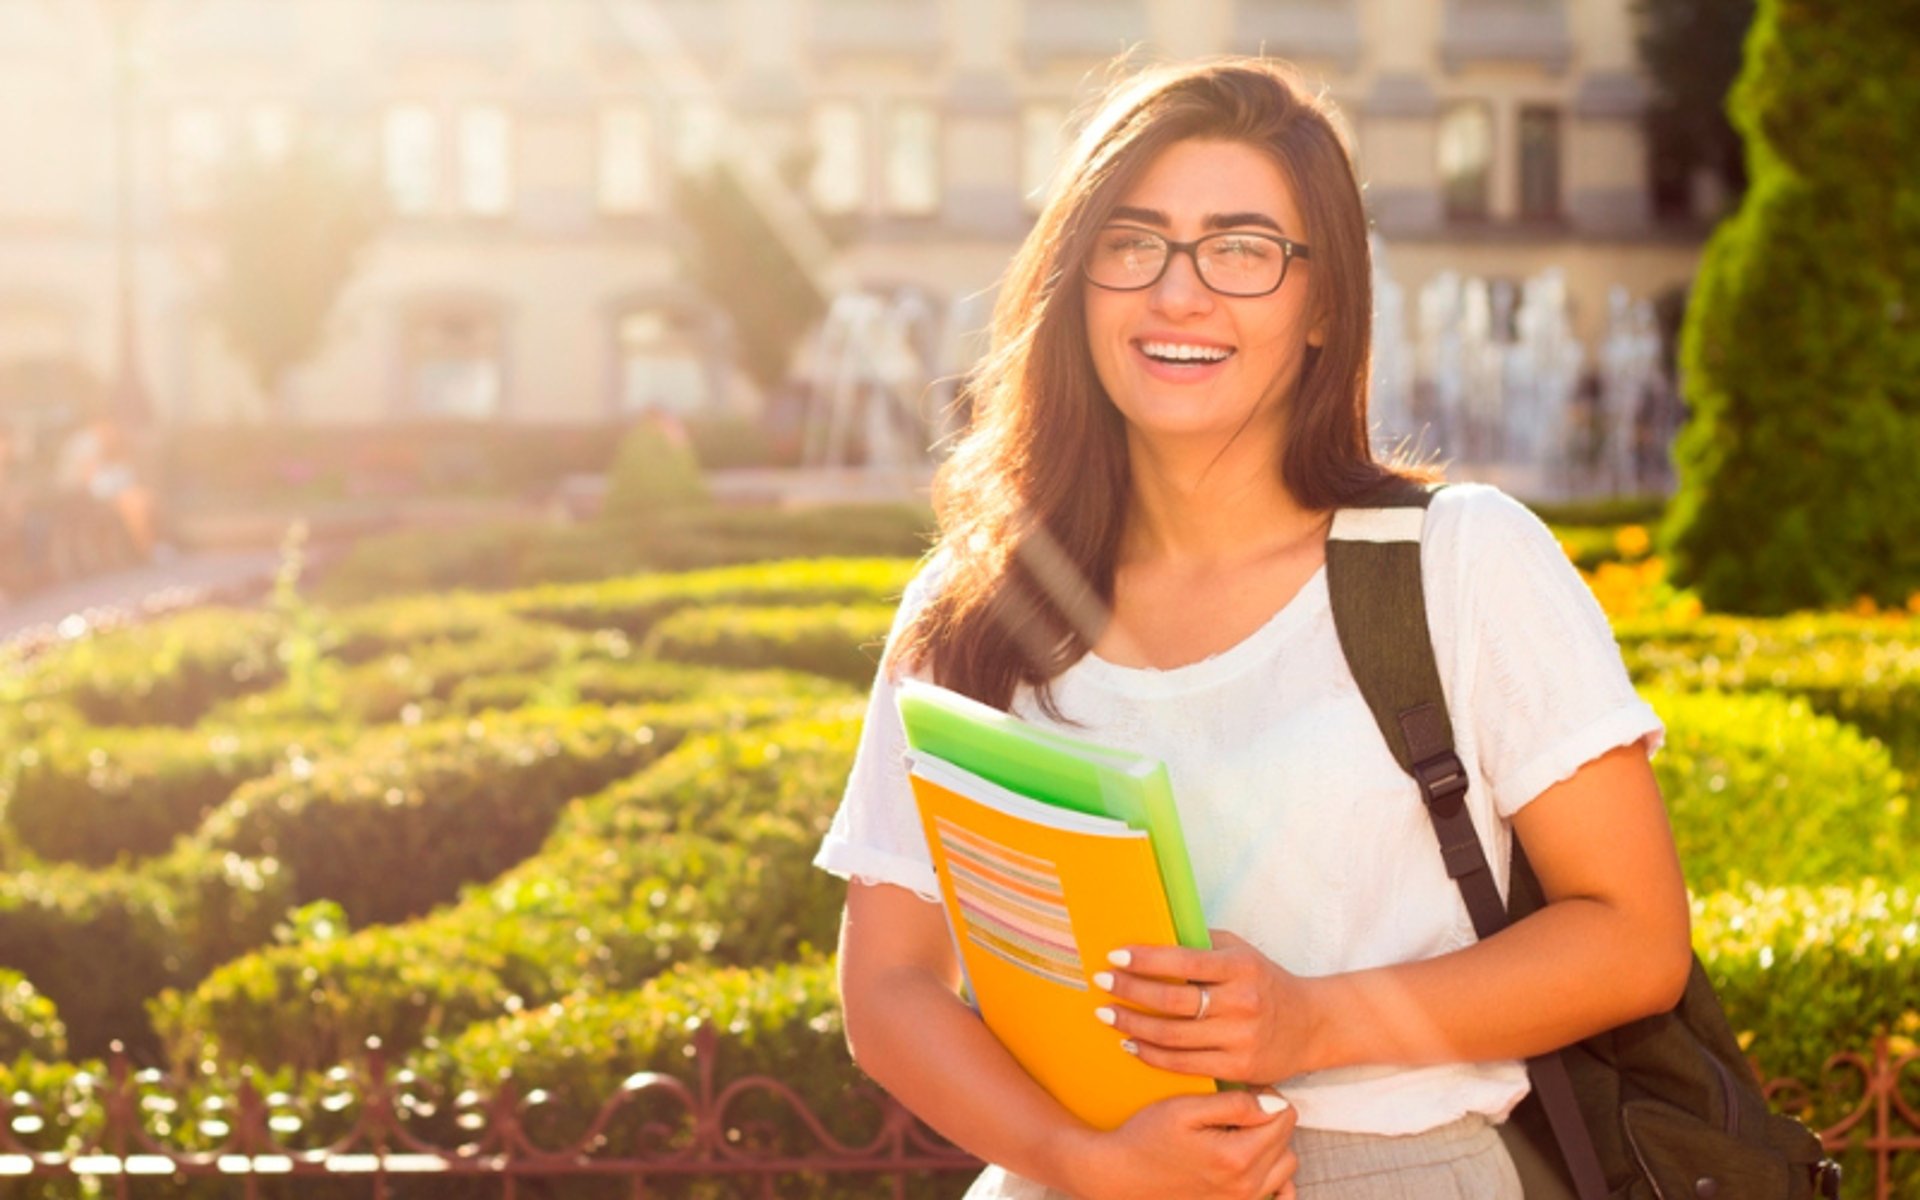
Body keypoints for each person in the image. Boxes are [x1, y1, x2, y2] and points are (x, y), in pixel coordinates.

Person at [813, 58, 1691, 1200]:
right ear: (1075, 282)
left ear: (1324, 302)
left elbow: (1634, 938)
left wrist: (1312, 1024)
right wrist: (1077, 1159)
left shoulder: (1463, 561)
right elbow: (886, 987)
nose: (1180, 295)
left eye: (1243, 248)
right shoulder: (974, 608)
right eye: (1133, 243)